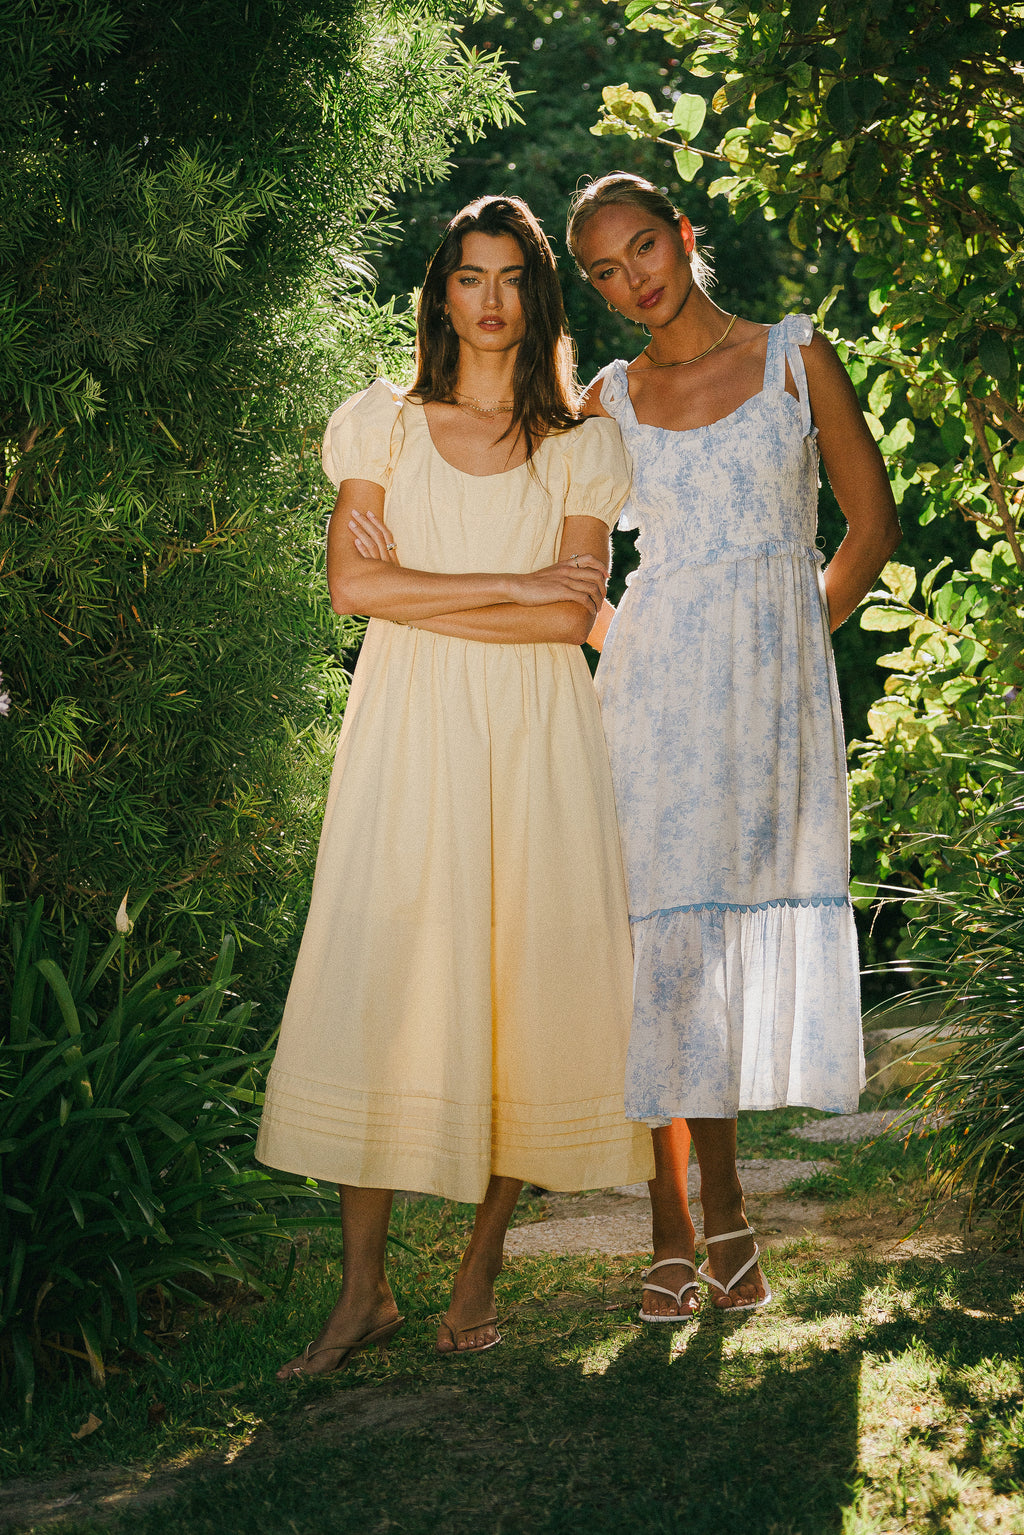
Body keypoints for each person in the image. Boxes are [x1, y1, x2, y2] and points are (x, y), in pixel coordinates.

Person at [256, 194, 652, 1375]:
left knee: (525, 984)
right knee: (382, 971)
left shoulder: (580, 443)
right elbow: (349, 592)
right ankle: (361, 1290)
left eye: (510, 279)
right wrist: (517, 592)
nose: (487, 300)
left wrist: (429, 583)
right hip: (407, 727)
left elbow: (579, 606)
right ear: (440, 293)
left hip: (535, 736)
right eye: (467, 278)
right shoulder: (382, 424)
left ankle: (479, 1263)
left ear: (539, 295)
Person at [565, 173, 901, 1318]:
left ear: (684, 235)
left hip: (768, 699)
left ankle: (723, 1216)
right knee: (663, 956)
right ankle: (692, 1225)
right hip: (651, 702)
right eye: (604, 271)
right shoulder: (604, 397)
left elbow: (871, 520)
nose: (630, 280)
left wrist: (793, 639)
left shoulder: (792, 356)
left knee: (703, 952)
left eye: (642, 248)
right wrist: (627, 639)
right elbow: (565, 565)